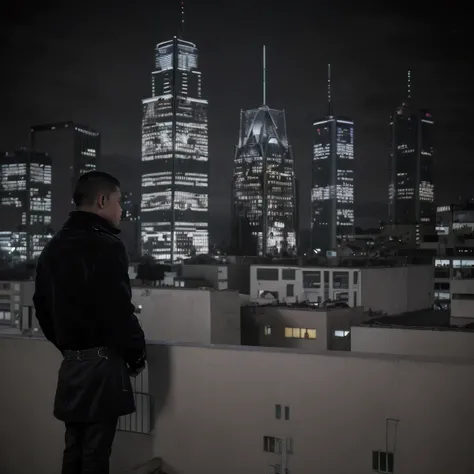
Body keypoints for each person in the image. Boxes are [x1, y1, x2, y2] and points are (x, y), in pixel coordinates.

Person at [33, 171, 146, 474]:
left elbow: (41, 308)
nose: (122, 209)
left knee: (74, 449)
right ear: (102, 200)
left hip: (72, 366)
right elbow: (118, 311)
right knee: (96, 454)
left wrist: (68, 347)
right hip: (101, 367)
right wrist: (136, 355)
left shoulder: (53, 246)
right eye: (120, 201)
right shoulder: (106, 245)